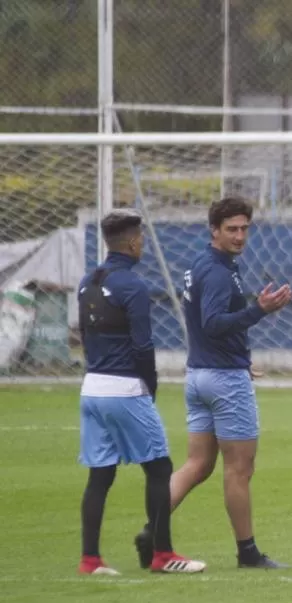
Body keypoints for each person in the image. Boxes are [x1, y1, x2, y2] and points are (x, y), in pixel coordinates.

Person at [135, 197, 292, 570]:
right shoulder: (220, 272)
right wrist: (259, 310)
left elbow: (210, 326)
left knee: (198, 464)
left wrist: (240, 358)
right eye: (232, 229)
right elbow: (213, 322)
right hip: (223, 381)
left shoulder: (203, 263)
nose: (240, 236)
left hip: (200, 376)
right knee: (239, 470)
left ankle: (150, 529)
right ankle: (248, 553)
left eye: (244, 228)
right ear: (214, 230)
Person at [78, 210, 205, 575]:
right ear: (133, 242)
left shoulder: (88, 281)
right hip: (124, 388)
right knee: (160, 466)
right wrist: (149, 386)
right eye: (142, 239)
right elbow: (143, 345)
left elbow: (85, 337)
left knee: (100, 475)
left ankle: (90, 559)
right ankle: (163, 554)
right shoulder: (132, 286)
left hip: (92, 388)